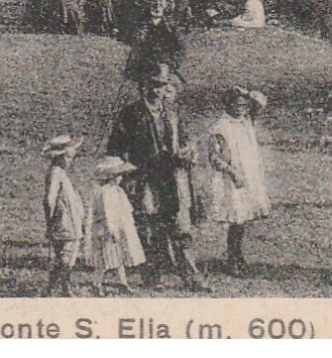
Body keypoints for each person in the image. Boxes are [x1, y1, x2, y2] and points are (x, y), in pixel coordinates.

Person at [105, 65, 207, 290]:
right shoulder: (131, 114)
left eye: (162, 85)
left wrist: (188, 150)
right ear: (143, 85)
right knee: (150, 226)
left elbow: (186, 138)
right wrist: (122, 171)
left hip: (172, 176)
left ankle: (191, 276)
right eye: (152, 84)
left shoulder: (173, 112)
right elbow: (114, 148)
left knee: (180, 228)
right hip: (144, 177)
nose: (157, 90)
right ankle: (154, 275)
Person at [206, 86, 271, 276]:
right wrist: (233, 173)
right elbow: (214, 159)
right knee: (235, 220)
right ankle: (232, 258)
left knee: (242, 222)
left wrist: (248, 93)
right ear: (228, 104)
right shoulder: (220, 128)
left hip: (248, 177)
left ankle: (237, 255)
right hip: (232, 180)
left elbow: (261, 101)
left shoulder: (246, 121)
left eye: (245, 105)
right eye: (238, 104)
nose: (242, 108)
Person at [88, 155, 145, 296]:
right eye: (119, 175)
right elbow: (107, 213)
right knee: (104, 258)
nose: (121, 178)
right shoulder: (105, 192)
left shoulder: (118, 191)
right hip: (107, 229)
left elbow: (124, 210)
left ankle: (122, 283)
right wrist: (112, 230)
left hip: (119, 227)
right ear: (111, 176)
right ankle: (96, 283)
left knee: (118, 256)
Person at [41, 135, 87, 296]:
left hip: (69, 222)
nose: (71, 161)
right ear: (59, 157)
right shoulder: (55, 174)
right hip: (63, 222)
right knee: (65, 257)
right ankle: (54, 290)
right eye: (69, 157)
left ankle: (60, 289)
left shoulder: (60, 173)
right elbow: (49, 200)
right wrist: (50, 221)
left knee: (67, 257)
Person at [124, 0, 185, 84]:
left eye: (161, 4)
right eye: (154, 4)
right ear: (148, 6)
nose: (157, 7)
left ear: (166, 7)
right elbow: (135, 46)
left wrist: (172, 63)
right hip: (145, 62)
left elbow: (180, 47)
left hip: (165, 62)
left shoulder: (171, 26)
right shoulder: (142, 24)